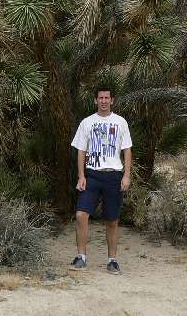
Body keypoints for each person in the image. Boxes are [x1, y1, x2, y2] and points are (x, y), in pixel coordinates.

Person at [69, 86, 132, 275]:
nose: (103, 101)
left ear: (112, 100)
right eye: (100, 98)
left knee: (112, 220)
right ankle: (81, 257)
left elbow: (127, 150)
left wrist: (126, 175)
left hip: (113, 175)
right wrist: (81, 175)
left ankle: (112, 260)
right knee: (81, 215)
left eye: (107, 97)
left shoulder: (120, 122)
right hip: (93, 175)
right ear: (95, 100)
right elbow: (81, 150)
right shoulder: (87, 123)